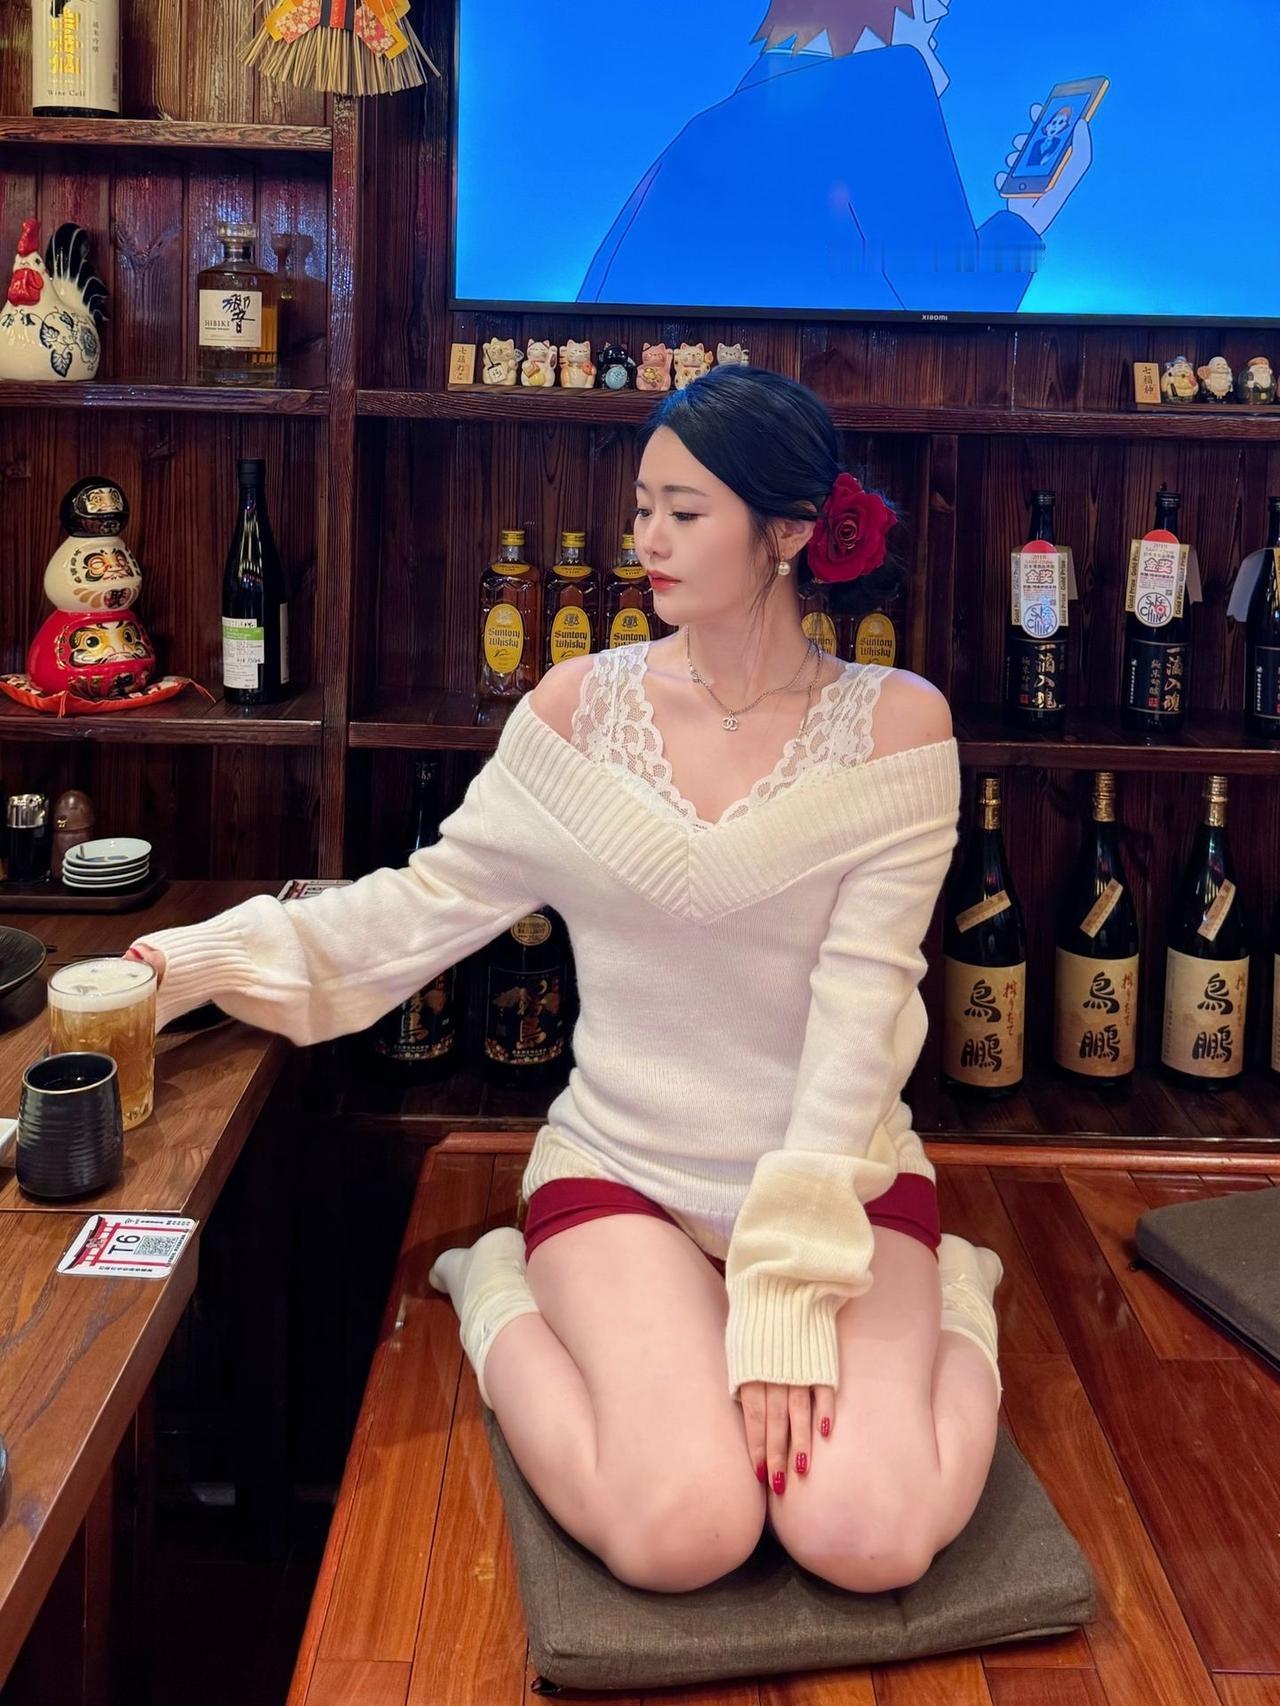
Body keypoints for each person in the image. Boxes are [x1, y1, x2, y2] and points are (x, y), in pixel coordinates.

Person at [125, 367, 1005, 1598]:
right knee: (683, 1531)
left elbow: (865, 1015)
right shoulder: (577, 709)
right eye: (642, 505)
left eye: (684, 511)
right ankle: (495, 1285)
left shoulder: (897, 727)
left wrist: (787, 1291)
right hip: (624, 1169)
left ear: (790, 531)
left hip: (831, 1179)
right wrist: (177, 965)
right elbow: (415, 911)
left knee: (864, 1535)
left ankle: (959, 1291)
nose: (648, 538)